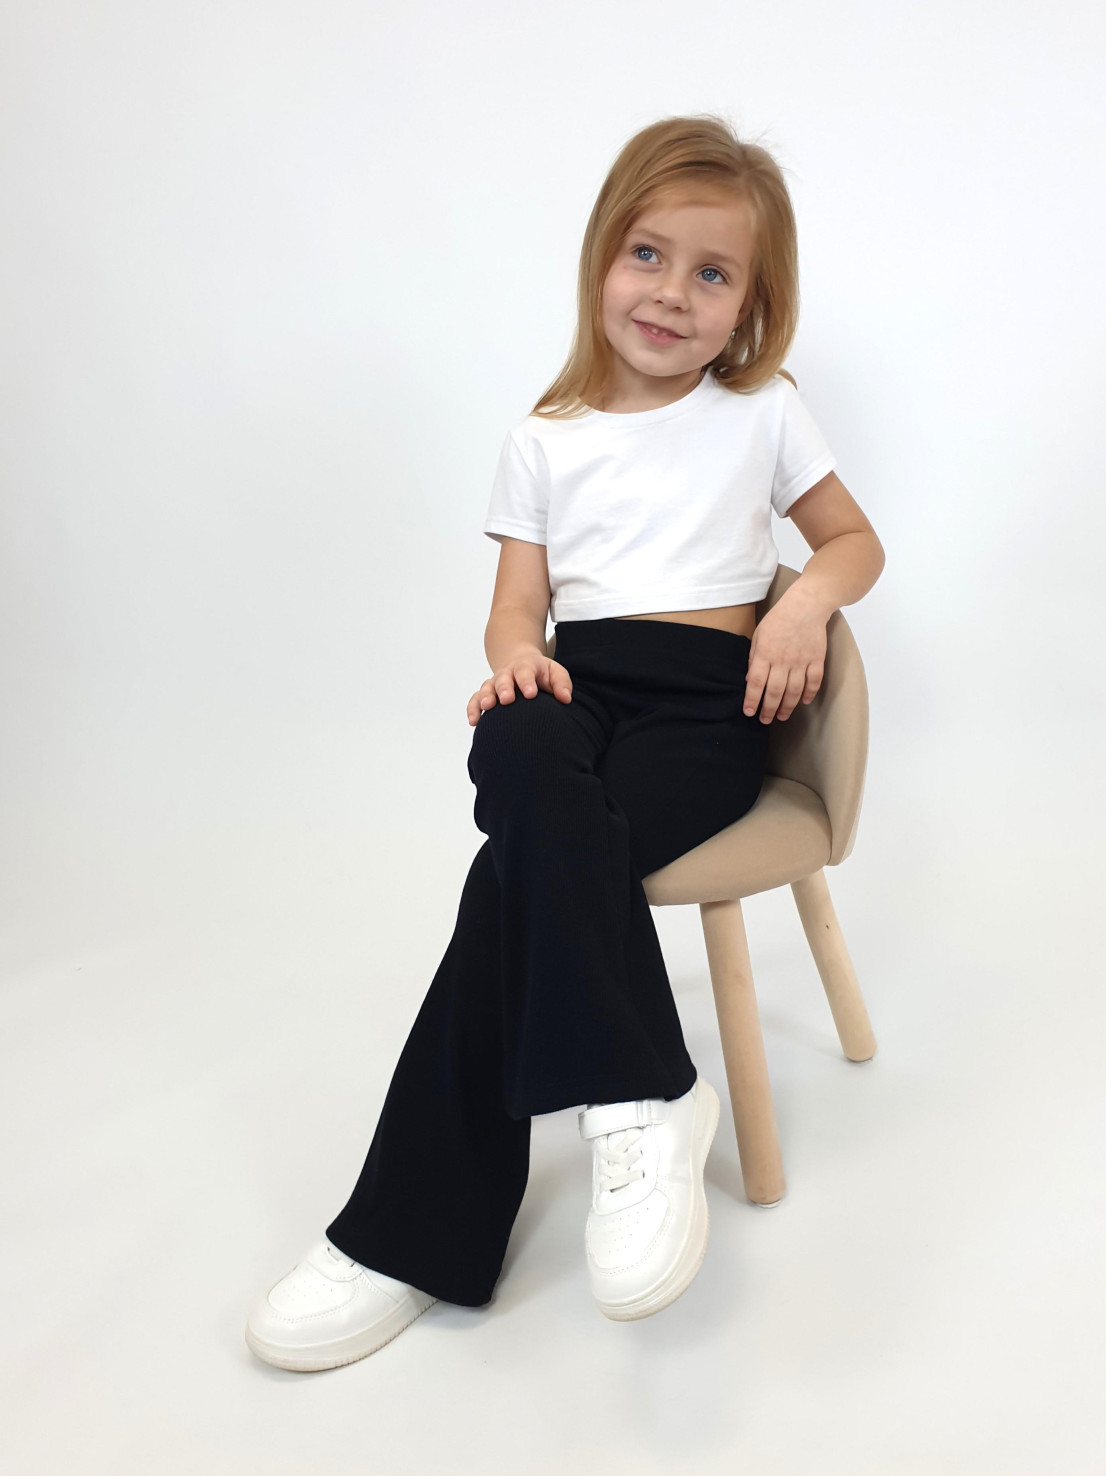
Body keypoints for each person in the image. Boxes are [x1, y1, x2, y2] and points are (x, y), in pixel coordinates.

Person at [244, 112, 885, 1372]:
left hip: (705, 705)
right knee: (515, 744)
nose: (672, 293)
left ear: (750, 307)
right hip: (578, 685)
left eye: (712, 274)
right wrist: (515, 663)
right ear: (601, 258)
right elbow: (513, 611)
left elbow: (852, 542)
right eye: (648, 255)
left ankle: (404, 1236)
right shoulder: (543, 436)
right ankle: (644, 1089)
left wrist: (800, 602)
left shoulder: (759, 411)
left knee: (510, 882)